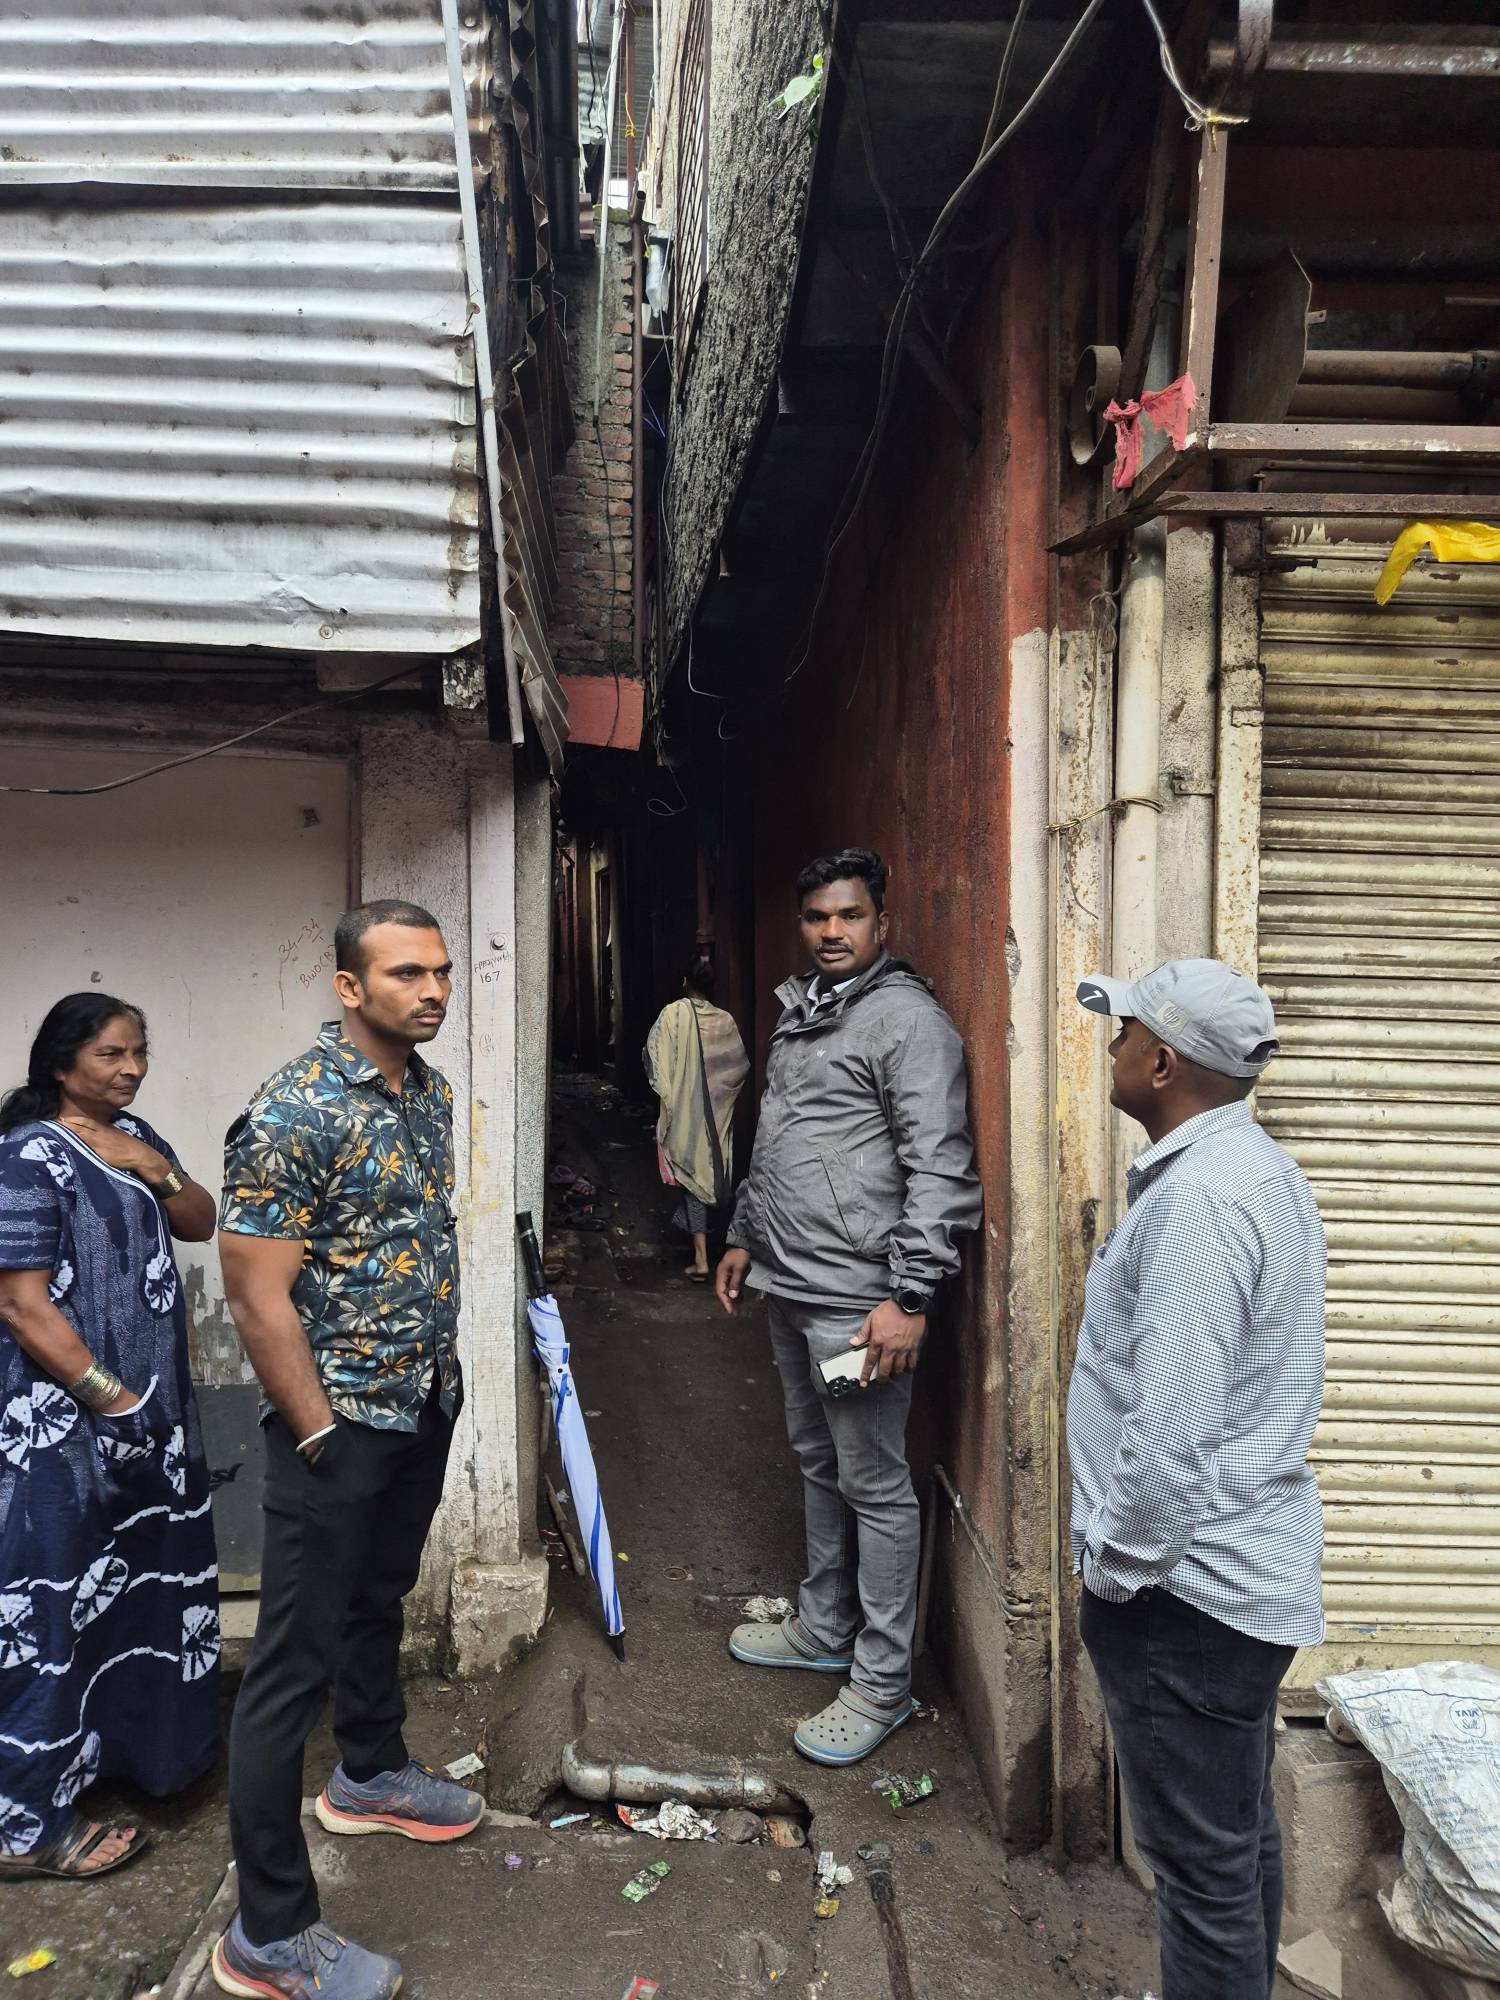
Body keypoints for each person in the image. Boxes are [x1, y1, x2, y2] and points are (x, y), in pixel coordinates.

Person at [213, 900, 479, 2000]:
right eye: (407, 972)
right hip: (338, 1423)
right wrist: (317, 1430)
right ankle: (268, 1932)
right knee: (290, 1667)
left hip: (419, 1404)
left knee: (380, 1594)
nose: (434, 990)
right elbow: (254, 1292)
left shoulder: (430, 1093)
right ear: (348, 986)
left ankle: (368, 1771)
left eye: (442, 970)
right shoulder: (294, 1111)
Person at [1067, 959, 1326, 2000]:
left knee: (1202, 1874)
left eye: (1128, 1031)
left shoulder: (1201, 1205)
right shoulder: (1253, 1169)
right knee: (1235, 1842)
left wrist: (1114, 1575)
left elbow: (1170, 1434)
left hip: (1185, 1597)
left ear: (1164, 1063)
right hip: (1231, 1583)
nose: (1114, 1045)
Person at [716, 848, 981, 1765]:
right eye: (818, 916)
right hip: (792, 1287)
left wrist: (909, 1296)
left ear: (882, 924)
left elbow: (940, 1169)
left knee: (873, 1483)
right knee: (817, 1461)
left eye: (851, 915)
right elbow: (780, 1140)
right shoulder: (805, 1012)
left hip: (857, 1303)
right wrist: (744, 1234)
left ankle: (881, 1683)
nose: (832, 931)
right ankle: (825, 1624)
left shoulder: (908, 1023)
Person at [0, 994, 219, 1882]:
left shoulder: (135, 1138)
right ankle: (27, 1829)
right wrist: (110, 1398)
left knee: (138, 1596)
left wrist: (154, 1167)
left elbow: (201, 1220)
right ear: (61, 1064)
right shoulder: (26, 1156)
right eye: (109, 1055)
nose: (130, 1069)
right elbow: (20, 1304)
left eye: (138, 1052)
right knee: (52, 1608)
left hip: (147, 1421)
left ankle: (135, 1763)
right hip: (61, 1434)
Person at [643, 958, 750, 1281]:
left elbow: (653, 1056)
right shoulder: (725, 1021)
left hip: (685, 1113)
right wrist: (716, 1095)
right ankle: (708, 1247)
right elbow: (738, 1066)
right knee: (705, 1178)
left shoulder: (673, 1015)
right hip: (716, 1115)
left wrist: (675, 1091)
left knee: (692, 1182)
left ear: (684, 981)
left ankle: (702, 1260)